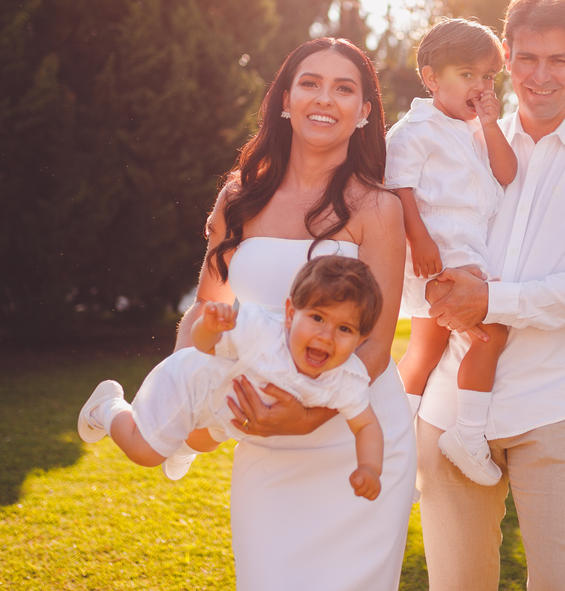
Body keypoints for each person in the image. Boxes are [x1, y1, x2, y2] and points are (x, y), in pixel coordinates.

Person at [416, 0, 565, 591]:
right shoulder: (456, 138)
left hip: (555, 408)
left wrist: (492, 302)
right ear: (506, 58)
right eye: (527, 59)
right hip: (448, 410)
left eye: (559, 60)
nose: (540, 76)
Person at [173, 38, 414, 590]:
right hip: (268, 443)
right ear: (285, 100)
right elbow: (207, 312)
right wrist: (184, 389)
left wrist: (311, 416)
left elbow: (376, 345)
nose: (324, 98)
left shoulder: (378, 208)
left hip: (357, 437)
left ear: (364, 113)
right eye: (310, 83)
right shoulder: (239, 198)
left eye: (344, 88)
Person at [77, 255, 385, 501]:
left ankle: (183, 446)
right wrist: (210, 327)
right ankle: (108, 406)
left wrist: (370, 468)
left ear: (361, 336)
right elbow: (203, 345)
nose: (326, 336)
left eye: (344, 329)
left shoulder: (347, 378)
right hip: (188, 385)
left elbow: (366, 424)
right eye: (317, 318)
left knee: (208, 441)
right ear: (290, 314)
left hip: (224, 408)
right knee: (145, 453)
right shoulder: (260, 331)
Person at [386, 18, 517, 486]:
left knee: (425, 352)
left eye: (489, 77)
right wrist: (418, 240)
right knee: (493, 327)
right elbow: (397, 186)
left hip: (465, 257)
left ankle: (392, 445)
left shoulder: (476, 130)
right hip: (439, 259)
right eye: (468, 74)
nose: (481, 87)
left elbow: (507, 173)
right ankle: (467, 432)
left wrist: (488, 122)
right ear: (431, 77)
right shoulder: (415, 130)